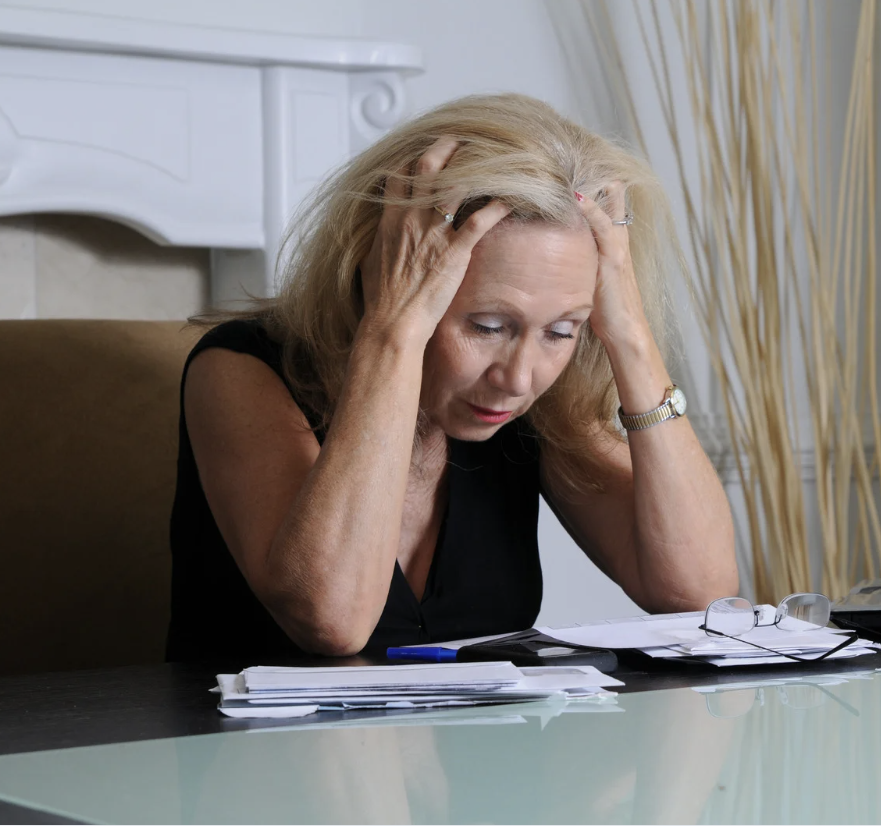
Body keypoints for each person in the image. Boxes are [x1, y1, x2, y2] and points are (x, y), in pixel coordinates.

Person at [166, 93, 738, 661]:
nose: (517, 378)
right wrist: (392, 330)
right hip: (259, 752)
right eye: (487, 326)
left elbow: (698, 592)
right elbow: (332, 619)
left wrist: (630, 335)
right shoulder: (239, 370)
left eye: (562, 331)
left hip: (480, 752)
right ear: (390, 268)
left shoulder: (533, 402)